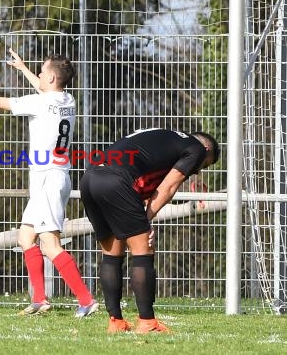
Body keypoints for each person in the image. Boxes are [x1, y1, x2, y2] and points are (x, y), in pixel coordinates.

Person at [0, 50, 98, 317]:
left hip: (48, 179)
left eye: (41, 71)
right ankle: (40, 299)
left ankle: (86, 300)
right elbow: (44, 88)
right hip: (55, 177)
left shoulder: (39, 103)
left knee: (50, 245)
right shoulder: (68, 99)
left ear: (50, 77)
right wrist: (23, 68)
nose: (37, 75)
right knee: (26, 237)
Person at [79, 128, 220, 333]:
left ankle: (116, 322)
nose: (198, 171)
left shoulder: (165, 137)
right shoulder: (196, 148)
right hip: (116, 180)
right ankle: (147, 322)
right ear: (205, 148)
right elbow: (168, 187)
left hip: (90, 178)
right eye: (205, 164)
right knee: (142, 251)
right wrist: (144, 221)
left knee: (111, 254)